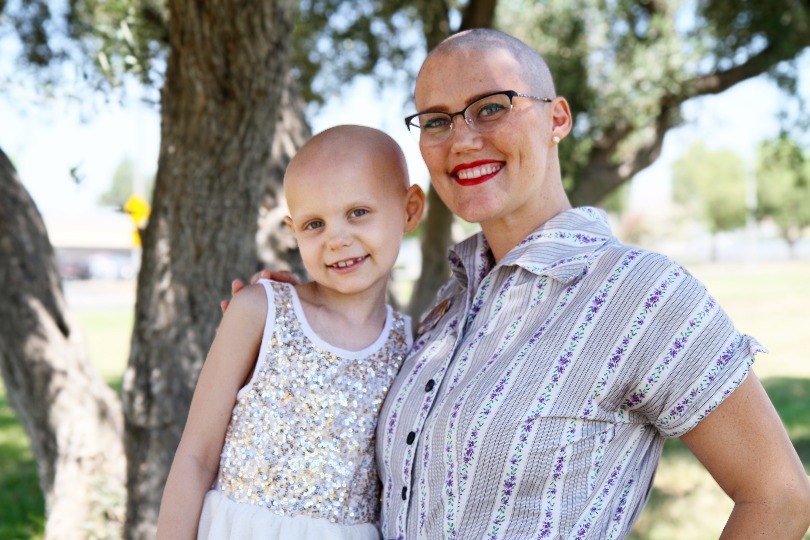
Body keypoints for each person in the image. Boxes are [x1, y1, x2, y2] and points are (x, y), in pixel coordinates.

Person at [231, 30, 810, 539]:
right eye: (436, 120)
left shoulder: (642, 294)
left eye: (491, 108)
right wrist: (293, 313)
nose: (461, 140)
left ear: (557, 118)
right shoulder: (446, 307)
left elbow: (780, 498)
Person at [158, 125, 426, 540]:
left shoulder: (413, 345)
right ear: (293, 229)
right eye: (314, 223)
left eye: (358, 212)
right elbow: (195, 455)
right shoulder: (261, 312)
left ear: (409, 209)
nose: (337, 239)